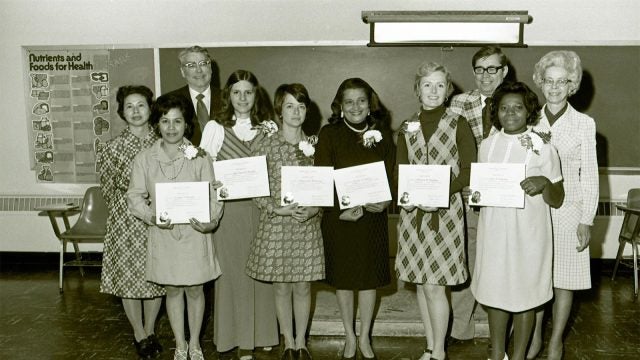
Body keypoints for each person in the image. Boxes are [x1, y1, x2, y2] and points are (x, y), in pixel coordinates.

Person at [471, 82, 564, 360]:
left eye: (517, 107)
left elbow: (557, 198)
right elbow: (482, 192)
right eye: (503, 108)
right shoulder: (487, 145)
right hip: (495, 231)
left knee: (526, 294)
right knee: (495, 291)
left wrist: (544, 181)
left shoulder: (542, 146)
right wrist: (474, 194)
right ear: (495, 112)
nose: (510, 113)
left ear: (529, 111)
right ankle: (498, 354)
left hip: (529, 233)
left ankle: (520, 355)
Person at [127, 94, 223, 360]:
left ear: (186, 124)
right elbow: (134, 196)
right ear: (157, 124)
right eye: (165, 121)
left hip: (194, 234)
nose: (171, 127)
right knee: (172, 289)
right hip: (164, 233)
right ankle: (180, 344)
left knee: (195, 289)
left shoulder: (200, 157)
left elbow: (215, 194)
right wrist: (152, 216)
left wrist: (210, 221)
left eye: (177, 121)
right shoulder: (144, 159)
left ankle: (195, 344)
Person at [395, 62, 477, 360]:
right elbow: (400, 169)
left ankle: (439, 352)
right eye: (427, 84)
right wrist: (407, 196)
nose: (433, 90)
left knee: (434, 286)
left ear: (448, 90)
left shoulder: (459, 123)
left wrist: (443, 192)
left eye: (440, 85)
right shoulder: (407, 125)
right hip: (413, 214)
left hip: (446, 214)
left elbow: (469, 170)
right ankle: (429, 347)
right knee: (421, 283)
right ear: (418, 89)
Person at [200, 70, 279, 360]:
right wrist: (214, 184)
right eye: (237, 92)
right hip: (230, 213)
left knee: (263, 272)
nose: (243, 98)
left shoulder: (269, 127)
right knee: (234, 274)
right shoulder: (215, 128)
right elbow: (203, 168)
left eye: (248, 92)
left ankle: (266, 333)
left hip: (263, 210)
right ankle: (240, 338)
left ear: (256, 95)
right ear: (228, 96)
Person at [314, 78, 395, 360]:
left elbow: (391, 177)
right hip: (341, 220)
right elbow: (322, 178)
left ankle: (365, 336)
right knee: (345, 281)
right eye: (349, 101)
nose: (355, 107)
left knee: (369, 280)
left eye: (361, 100)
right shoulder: (329, 134)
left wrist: (385, 200)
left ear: (370, 103)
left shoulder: (382, 134)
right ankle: (349, 335)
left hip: (372, 219)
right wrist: (340, 209)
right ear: (340, 105)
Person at [527, 51, 599, 360]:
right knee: (536, 275)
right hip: (535, 209)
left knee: (564, 280)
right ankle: (533, 339)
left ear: (572, 85)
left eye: (563, 81)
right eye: (549, 81)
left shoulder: (584, 123)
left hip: (570, 210)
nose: (555, 87)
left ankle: (556, 340)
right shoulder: (529, 120)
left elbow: (591, 174)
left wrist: (587, 219)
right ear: (540, 82)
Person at [246, 83, 325, 360]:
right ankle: (288, 342)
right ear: (279, 110)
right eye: (290, 106)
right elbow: (254, 188)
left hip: (306, 224)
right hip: (277, 223)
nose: (296, 112)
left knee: (303, 285)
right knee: (281, 285)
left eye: (301, 106)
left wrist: (316, 209)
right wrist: (275, 209)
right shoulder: (264, 144)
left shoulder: (316, 145)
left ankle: (301, 341)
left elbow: (325, 187)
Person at [448, 45, 510, 344]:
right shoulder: (459, 102)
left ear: (504, 71)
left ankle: (500, 323)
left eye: (492, 69)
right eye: (480, 69)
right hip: (467, 196)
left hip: (506, 197)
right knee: (467, 258)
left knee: (502, 259)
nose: (486, 76)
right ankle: (461, 326)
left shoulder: (515, 102)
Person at [97, 85, 165, 359]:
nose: (136, 111)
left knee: (156, 278)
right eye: (129, 106)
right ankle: (138, 332)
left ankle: (150, 330)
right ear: (122, 112)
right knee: (129, 280)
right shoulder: (111, 148)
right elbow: (107, 188)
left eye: (141, 105)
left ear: (151, 109)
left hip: (159, 219)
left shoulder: (164, 142)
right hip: (125, 223)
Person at [164, 45, 222, 146]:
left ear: (210, 68)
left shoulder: (228, 97)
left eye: (203, 64)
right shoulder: (169, 101)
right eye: (191, 65)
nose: (198, 70)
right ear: (182, 71)